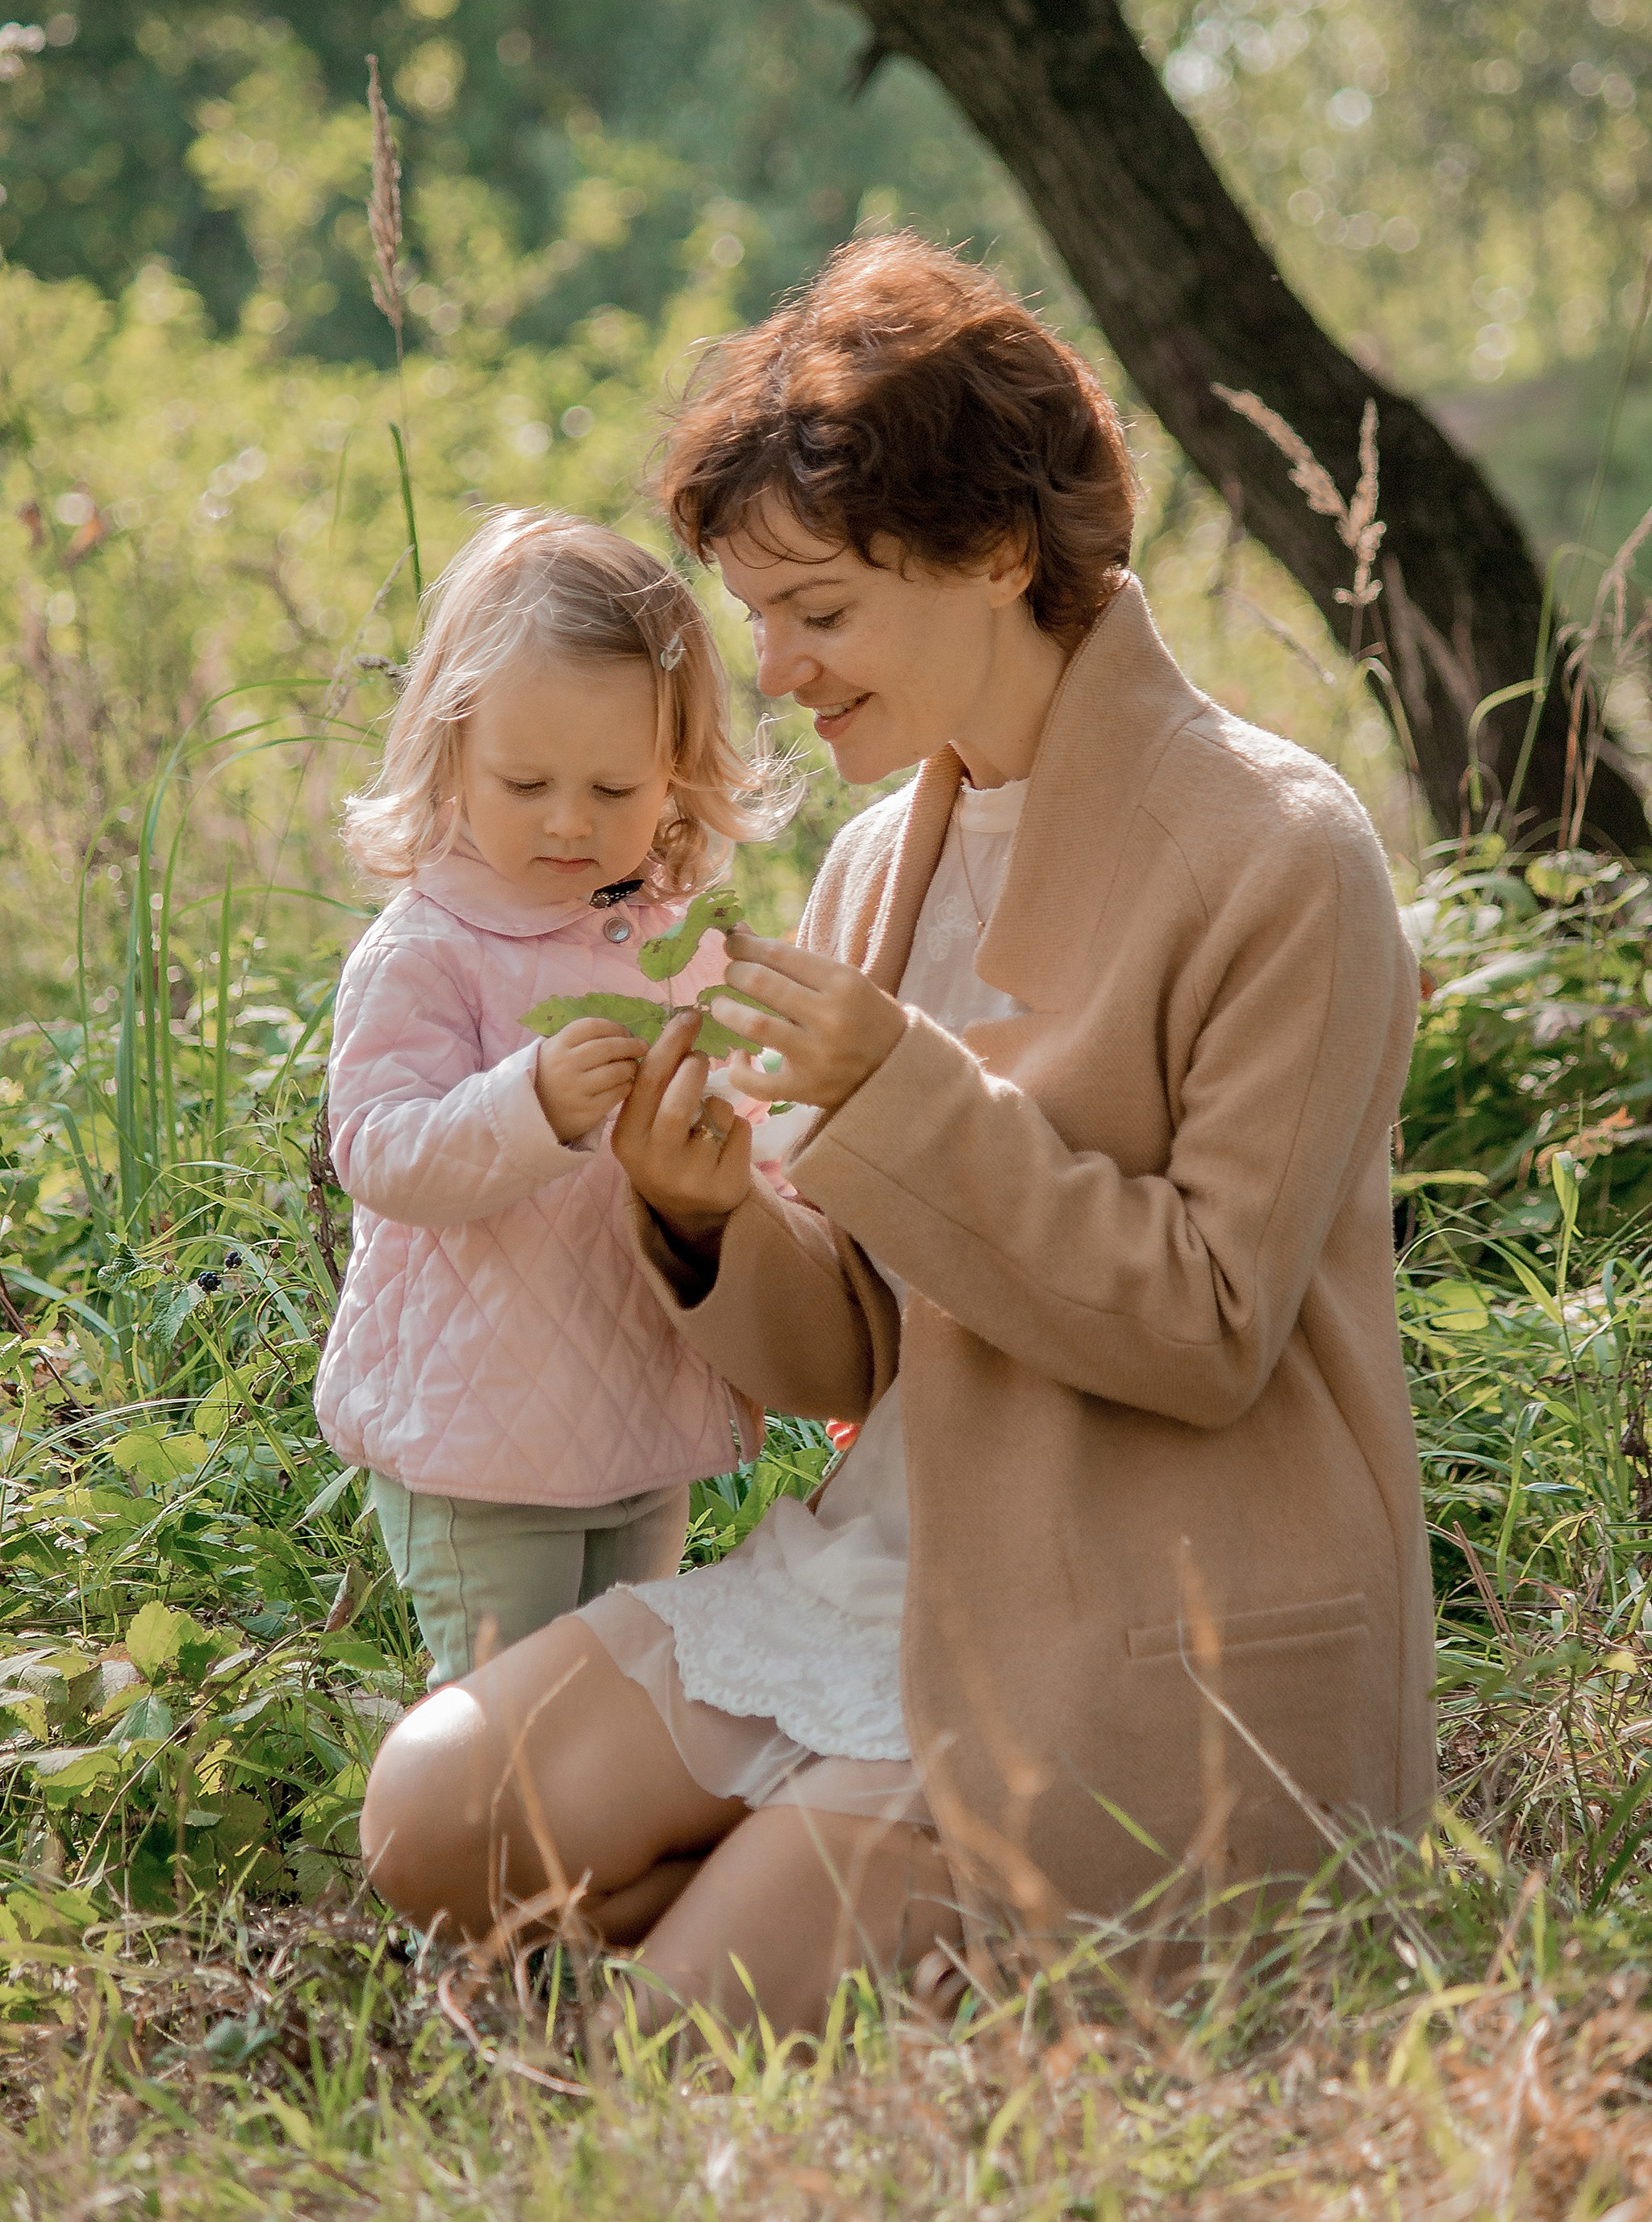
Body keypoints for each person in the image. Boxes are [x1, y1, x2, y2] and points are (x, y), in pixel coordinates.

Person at [358, 237, 1433, 2034]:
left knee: (677, 2045)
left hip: (1136, 1612)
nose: (769, 672)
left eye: (821, 613)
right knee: (430, 1813)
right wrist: (708, 1223)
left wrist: (900, 1100)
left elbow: (1206, 1330)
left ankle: (845, 1913)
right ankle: (821, 1886)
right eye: (759, 615)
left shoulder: (1280, 853)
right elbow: (854, 1349)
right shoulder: (880, 857)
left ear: (998, 554)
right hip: (882, 1575)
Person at [315, 509, 788, 1684]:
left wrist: (775, 1269)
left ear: (679, 779)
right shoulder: (426, 949)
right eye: (526, 782)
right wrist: (529, 1103)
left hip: (635, 1406)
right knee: (507, 1719)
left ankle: (595, 1878)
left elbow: (747, 1135)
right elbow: (376, 1149)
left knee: (627, 1701)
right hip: (476, 1437)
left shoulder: (672, 949)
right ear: (450, 754)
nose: (571, 820)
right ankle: (488, 1872)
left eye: (616, 787)